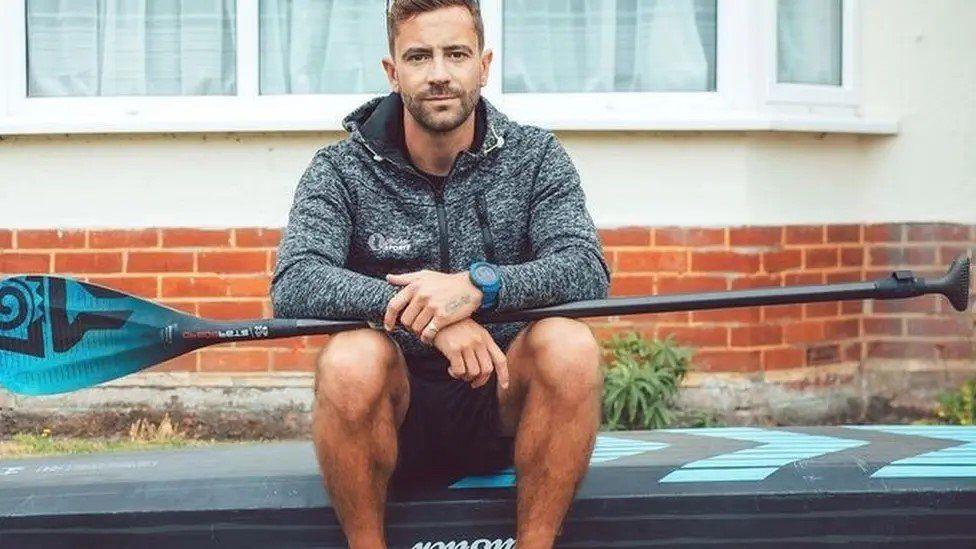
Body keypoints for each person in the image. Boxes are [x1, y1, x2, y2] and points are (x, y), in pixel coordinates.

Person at [271, 1, 610, 547]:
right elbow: (296, 281)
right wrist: (430, 318)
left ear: (484, 63)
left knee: (570, 345)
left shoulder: (537, 156)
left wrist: (477, 288)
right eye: (419, 56)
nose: (439, 74)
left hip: (504, 398)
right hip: (393, 410)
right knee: (351, 359)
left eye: (456, 54)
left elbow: (584, 269)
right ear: (392, 71)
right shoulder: (338, 169)